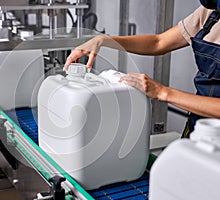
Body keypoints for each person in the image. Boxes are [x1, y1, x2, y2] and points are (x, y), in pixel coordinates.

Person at [64, 1, 220, 138]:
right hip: (201, 125)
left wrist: (161, 92)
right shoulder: (210, 13)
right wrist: (102, 40)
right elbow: (158, 42)